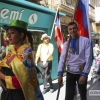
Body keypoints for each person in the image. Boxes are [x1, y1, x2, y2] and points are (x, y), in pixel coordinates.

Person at [0, 20, 44, 100]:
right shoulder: (11, 52)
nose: (9, 36)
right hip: (8, 94)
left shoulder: (26, 56)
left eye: (12, 33)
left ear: (21, 35)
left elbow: (20, 82)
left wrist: (2, 76)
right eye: (8, 33)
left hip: (21, 95)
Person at [58, 22, 92, 100]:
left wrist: (84, 74)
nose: (72, 31)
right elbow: (62, 59)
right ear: (68, 30)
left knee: (83, 96)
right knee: (68, 97)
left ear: (77, 29)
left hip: (81, 72)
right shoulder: (66, 43)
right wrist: (60, 74)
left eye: (74, 28)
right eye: (70, 29)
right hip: (70, 73)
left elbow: (88, 59)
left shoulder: (85, 41)